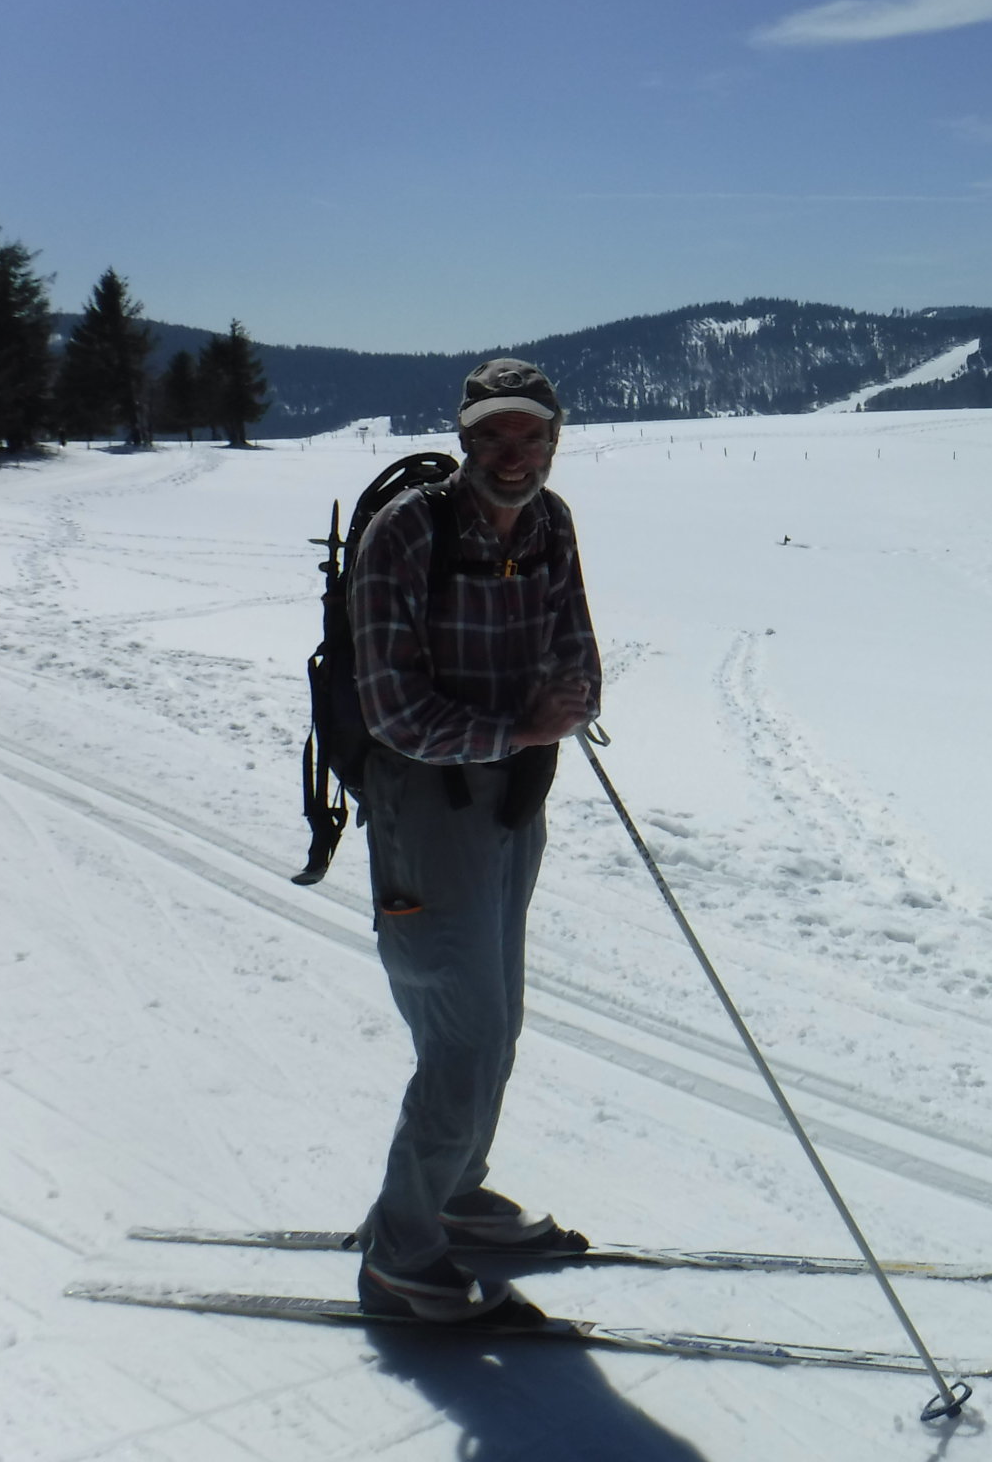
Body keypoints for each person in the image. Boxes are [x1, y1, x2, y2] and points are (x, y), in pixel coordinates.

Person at [349, 358, 602, 1323]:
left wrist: (565, 706)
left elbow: (576, 648)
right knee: (462, 1037)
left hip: (513, 798)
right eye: (494, 434)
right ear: (466, 440)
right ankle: (401, 1256)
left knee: (500, 1021)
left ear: (554, 439)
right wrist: (520, 729)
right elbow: (392, 708)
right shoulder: (405, 531)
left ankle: (455, 1193)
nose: (513, 453)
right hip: (425, 804)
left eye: (530, 434)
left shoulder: (550, 523)